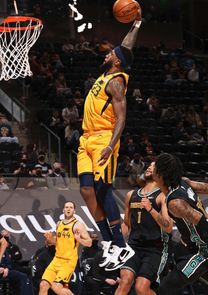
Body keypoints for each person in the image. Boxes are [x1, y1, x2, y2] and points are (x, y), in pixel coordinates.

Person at [77, 10, 142, 270]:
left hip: (103, 138)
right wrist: (137, 23)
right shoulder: (107, 73)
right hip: (85, 140)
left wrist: (110, 144)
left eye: (110, 53)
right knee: (85, 190)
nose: (107, 53)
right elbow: (126, 47)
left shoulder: (116, 82)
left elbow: (122, 119)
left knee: (103, 190)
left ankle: (120, 245)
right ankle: (110, 242)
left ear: (117, 61)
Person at [153, 153, 208, 295]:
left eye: (154, 167)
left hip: (205, 250)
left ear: (160, 175)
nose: (151, 169)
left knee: (165, 288)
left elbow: (207, 225)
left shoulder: (175, 203)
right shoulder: (184, 182)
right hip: (199, 245)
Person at [114, 162, 172, 294]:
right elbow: (126, 223)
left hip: (154, 249)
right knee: (125, 281)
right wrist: (116, 241)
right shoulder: (131, 195)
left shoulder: (163, 196)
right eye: (149, 165)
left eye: (154, 166)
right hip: (133, 246)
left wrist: (151, 209)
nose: (149, 167)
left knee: (141, 288)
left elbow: (168, 227)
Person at [39, 201, 92, 295]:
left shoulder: (77, 225)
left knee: (56, 286)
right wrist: (49, 239)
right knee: (43, 285)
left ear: (74, 211)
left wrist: (79, 239)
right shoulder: (59, 224)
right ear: (63, 210)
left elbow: (89, 243)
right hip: (56, 259)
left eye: (71, 207)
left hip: (68, 261)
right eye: (66, 207)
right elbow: (57, 242)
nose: (68, 209)